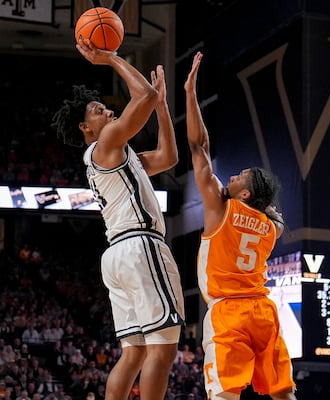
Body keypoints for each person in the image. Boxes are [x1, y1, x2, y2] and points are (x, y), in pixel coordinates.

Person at [51, 37, 185, 400]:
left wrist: (162, 108)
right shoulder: (105, 143)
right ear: (85, 128)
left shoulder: (115, 154)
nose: (107, 112)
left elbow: (169, 157)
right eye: (98, 110)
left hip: (118, 254)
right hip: (140, 246)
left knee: (135, 352)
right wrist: (111, 58)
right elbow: (142, 96)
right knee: (163, 348)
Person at [184, 51, 297, 400]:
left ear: (244, 192)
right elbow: (277, 218)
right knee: (283, 392)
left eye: (239, 176)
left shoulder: (221, 207)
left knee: (225, 394)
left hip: (229, 311)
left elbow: (197, 145)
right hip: (263, 312)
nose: (231, 175)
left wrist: (189, 93)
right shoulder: (272, 227)